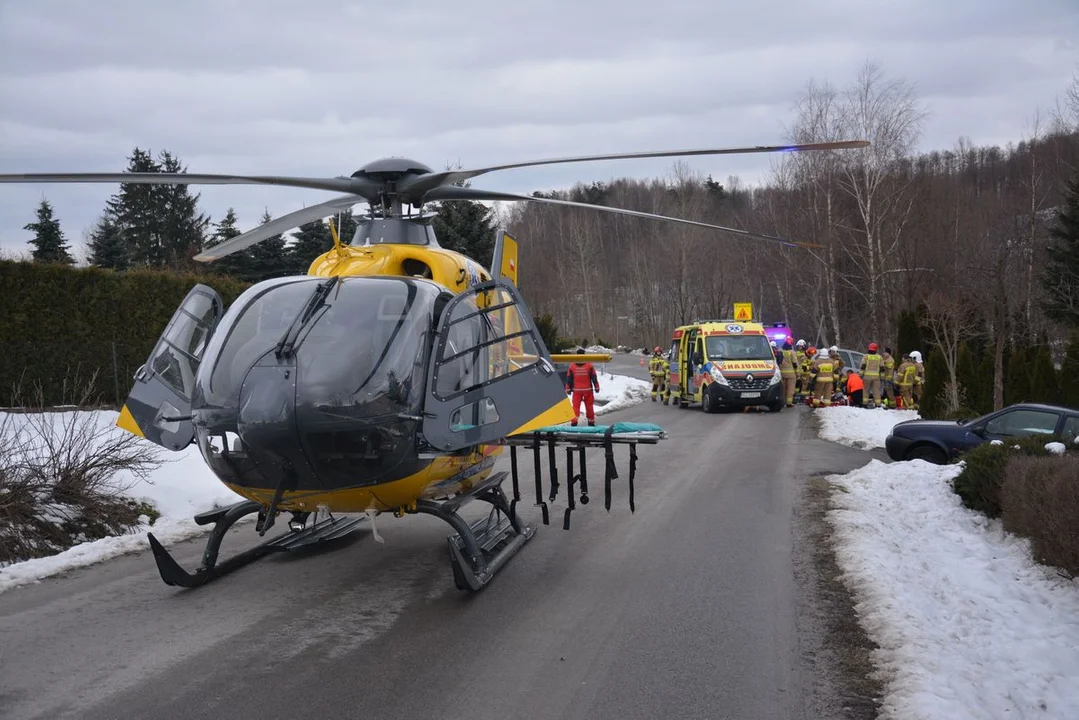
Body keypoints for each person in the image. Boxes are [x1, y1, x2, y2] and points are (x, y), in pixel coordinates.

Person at [565, 352, 601, 426]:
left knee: (575, 406)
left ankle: (574, 422)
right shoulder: (589, 365)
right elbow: (594, 377)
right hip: (588, 390)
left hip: (576, 390)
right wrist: (596, 387)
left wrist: (568, 389)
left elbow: (569, 379)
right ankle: (591, 422)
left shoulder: (572, 366)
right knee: (589, 406)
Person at [859, 342, 883, 407]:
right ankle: (878, 404)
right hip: (876, 377)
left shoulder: (866, 356)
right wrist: (882, 377)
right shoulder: (879, 357)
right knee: (876, 391)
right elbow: (882, 368)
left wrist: (860, 374)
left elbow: (863, 366)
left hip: (867, 377)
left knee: (866, 390)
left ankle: (865, 403)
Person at [779, 338, 798, 407]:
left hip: (782, 373)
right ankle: (789, 403)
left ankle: (782, 402)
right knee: (790, 389)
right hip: (791, 374)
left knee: (783, 388)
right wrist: (798, 374)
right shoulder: (792, 352)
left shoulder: (780, 351)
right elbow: (795, 364)